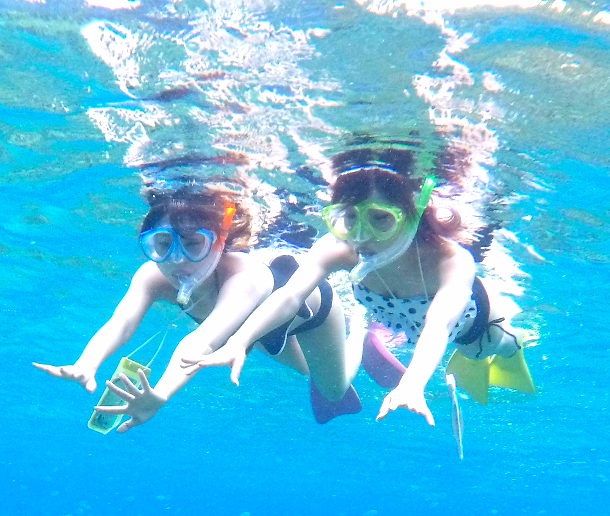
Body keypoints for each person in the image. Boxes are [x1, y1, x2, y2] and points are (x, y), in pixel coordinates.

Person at [182, 147, 535, 425]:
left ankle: (515, 345)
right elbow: (289, 297)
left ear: (412, 213)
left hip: (476, 324)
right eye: (349, 219)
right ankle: (376, 334)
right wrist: (240, 342)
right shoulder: (339, 249)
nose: (362, 236)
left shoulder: (449, 259)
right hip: (405, 323)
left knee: (490, 348)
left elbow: (438, 325)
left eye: (381, 219)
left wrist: (412, 383)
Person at [34, 186, 365, 430]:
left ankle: (362, 330)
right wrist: (87, 363)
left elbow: (201, 342)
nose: (177, 259)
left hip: (308, 315)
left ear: (220, 240)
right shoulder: (153, 274)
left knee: (332, 388)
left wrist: (160, 394)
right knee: (307, 370)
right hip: (248, 336)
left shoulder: (245, 276)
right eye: (162, 244)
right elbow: (120, 323)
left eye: (193, 244)